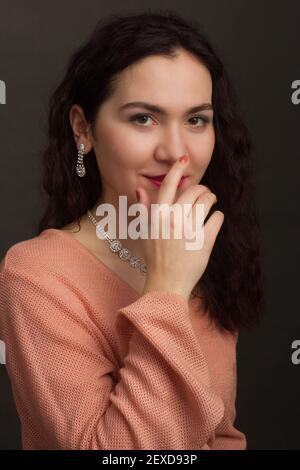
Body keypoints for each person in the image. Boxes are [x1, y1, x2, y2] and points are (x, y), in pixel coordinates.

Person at [0, 10, 265, 450]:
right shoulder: (34, 275)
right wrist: (167, 289)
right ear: (83, 128)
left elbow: (218, 435)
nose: (176, 151)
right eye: (144, 118)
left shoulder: (202, 248)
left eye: (196, 119)